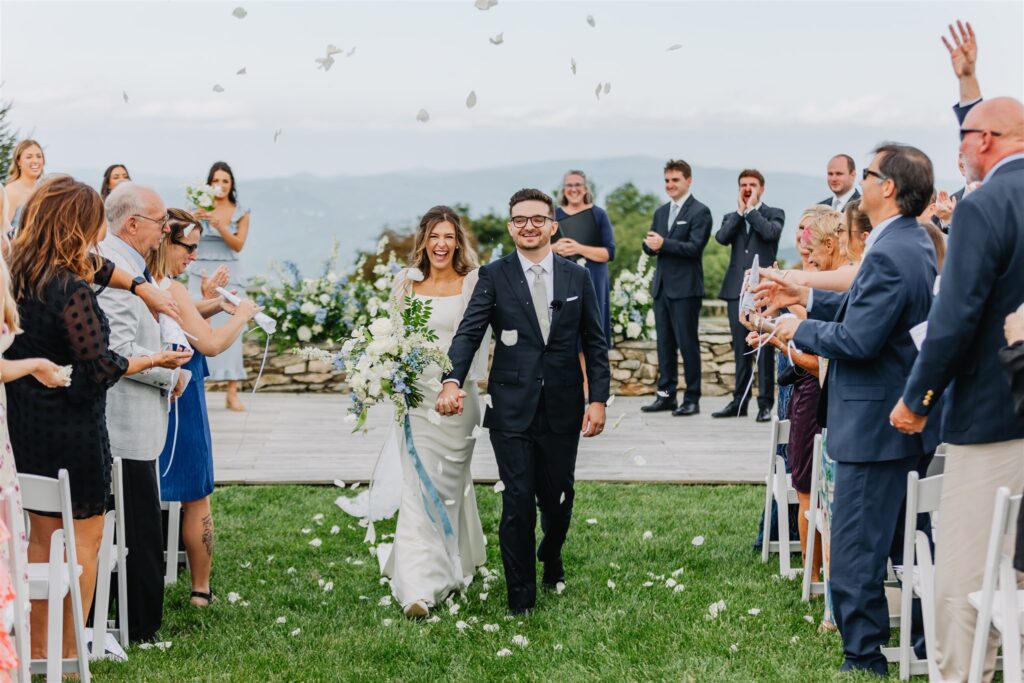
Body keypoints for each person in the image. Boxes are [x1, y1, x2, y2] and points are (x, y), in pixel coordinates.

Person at [758, 143, 938, 676]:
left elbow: (860, 338)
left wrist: (797, 328)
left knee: (858, 546)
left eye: (869, 173)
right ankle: (924, 641)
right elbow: (870, 306)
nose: (861, 179)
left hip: (871, 421)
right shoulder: (913, 241)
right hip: (899, 416)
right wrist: (807, 298)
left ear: (888, 188)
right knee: (912, 540)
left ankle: (863, 657)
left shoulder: (889, 248)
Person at [5, 176, 189, 658]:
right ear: (74, 227)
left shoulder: (16, 273)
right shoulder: (71, 291)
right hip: (74, 436)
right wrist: (154, 360)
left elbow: (97, 266)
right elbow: (100, 367)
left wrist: (142, 288)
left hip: (25, 428)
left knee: (41, 544)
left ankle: (36, 651)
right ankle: (70, 656)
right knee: (86, 546)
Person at [890, 97, 1024, 682]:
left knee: (963, 583)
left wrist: (917, 400)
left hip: (994, 417)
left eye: (964, 137)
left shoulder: (986, 205)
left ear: (986, 141)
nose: (959, 148)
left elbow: (954, 316)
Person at [436, 188, 610, 615]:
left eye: (537, 219)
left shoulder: (577, 277)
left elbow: (595, 341)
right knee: (517, 500)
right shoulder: (494, 276)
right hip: (510, 408)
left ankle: (551, 554)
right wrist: (451, 379)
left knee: (558, 499)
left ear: (553, 225)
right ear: (511, 227)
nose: (528, 226)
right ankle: (521, 599)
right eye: (519, 220)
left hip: (564, 406)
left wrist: (599, 399)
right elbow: (469, 332)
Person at [345, 206, 490, 619]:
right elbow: (392, 337)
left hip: (457, 402)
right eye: (434, 236)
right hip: (413, 401)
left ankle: (455, 560)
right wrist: (384, 374)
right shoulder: (404, 284)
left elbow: (478, 340)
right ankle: (418, 587)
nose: (441, 244)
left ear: (458, 242)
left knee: (449, 488)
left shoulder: (473, 282)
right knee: (417, 489)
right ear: (423, 241)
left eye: (449, 237)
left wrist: (460, 385)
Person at [97, 182, 194, 642]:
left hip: (135, 418)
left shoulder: (130, 264)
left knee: (140, 524)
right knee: (138, 530)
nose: (167, 230)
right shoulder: (116, 270)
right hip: (125, 423)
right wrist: (168, 375)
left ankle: (135, 620)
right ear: (132, 224)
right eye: (161, 223)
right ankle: (139, 628)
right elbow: (116, 350)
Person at [150, 209, 260, 608]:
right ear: (166, 240)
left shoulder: (142, 280)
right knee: (197, 494)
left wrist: (211, 303)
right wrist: (243, 316)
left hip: (151, 395)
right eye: (190, 248)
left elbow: (183, 316)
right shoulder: (171, 287)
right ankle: (200, 589)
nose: (195, 257)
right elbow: (210, 343)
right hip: (183, 398)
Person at [640, 160, 712, 416]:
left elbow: (694, 248)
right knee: (664, 346)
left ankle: (692, 399)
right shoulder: (660, 212)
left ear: (688, 180)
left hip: (686, 290)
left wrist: (664, 244)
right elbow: (653, 244)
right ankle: (666, 397)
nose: (670, 185)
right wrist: (649, 246)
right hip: (662, 288)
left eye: (675, 180)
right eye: (667, 181)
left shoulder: (700, 212)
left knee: (687, 345)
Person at [712, 169, 784, 422]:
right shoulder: (732, 217)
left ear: (761, 188)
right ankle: (738, 402)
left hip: (763, 288)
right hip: (735, 289)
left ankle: (765, 404)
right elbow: (721, 238)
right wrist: (741, 212)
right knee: (739, 346)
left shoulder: (774, 214)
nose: (747, 188)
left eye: (752, 184)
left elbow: (770, 235)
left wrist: (752, 211)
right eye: (743, 184)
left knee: (763, 345)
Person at [190, 161, 251, 412]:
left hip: (230, 272)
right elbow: (184, 237)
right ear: (209, 183)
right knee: (196, 327)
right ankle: (196, 386)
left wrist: (219, 225)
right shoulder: (198, 208)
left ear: (231, 184)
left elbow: (238, 244)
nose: (220, 185)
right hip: (200, 271)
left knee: (232, 329)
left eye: (225, 181)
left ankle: (232, 391)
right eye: (216, 180)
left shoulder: (241, 211)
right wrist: (193, 219)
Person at [552, 170, 616, 346]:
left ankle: (593, 374)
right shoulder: (554, 216)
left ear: (586, 188)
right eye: (569, 185)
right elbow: (539, 251)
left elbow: (609, 253)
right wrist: (555, 248)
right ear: (563, 189)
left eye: (578, 184)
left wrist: (578, 248)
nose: (573, 189)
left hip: (594, 279)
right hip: (563, 282)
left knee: (592, 339)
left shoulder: (599, 214)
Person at [2, 139, 45, 234]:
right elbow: (2, 235)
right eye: (29, 157)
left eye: (39, 156)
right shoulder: (11, 191)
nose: (35, 161)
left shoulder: (44, 189)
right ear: (18, 162)